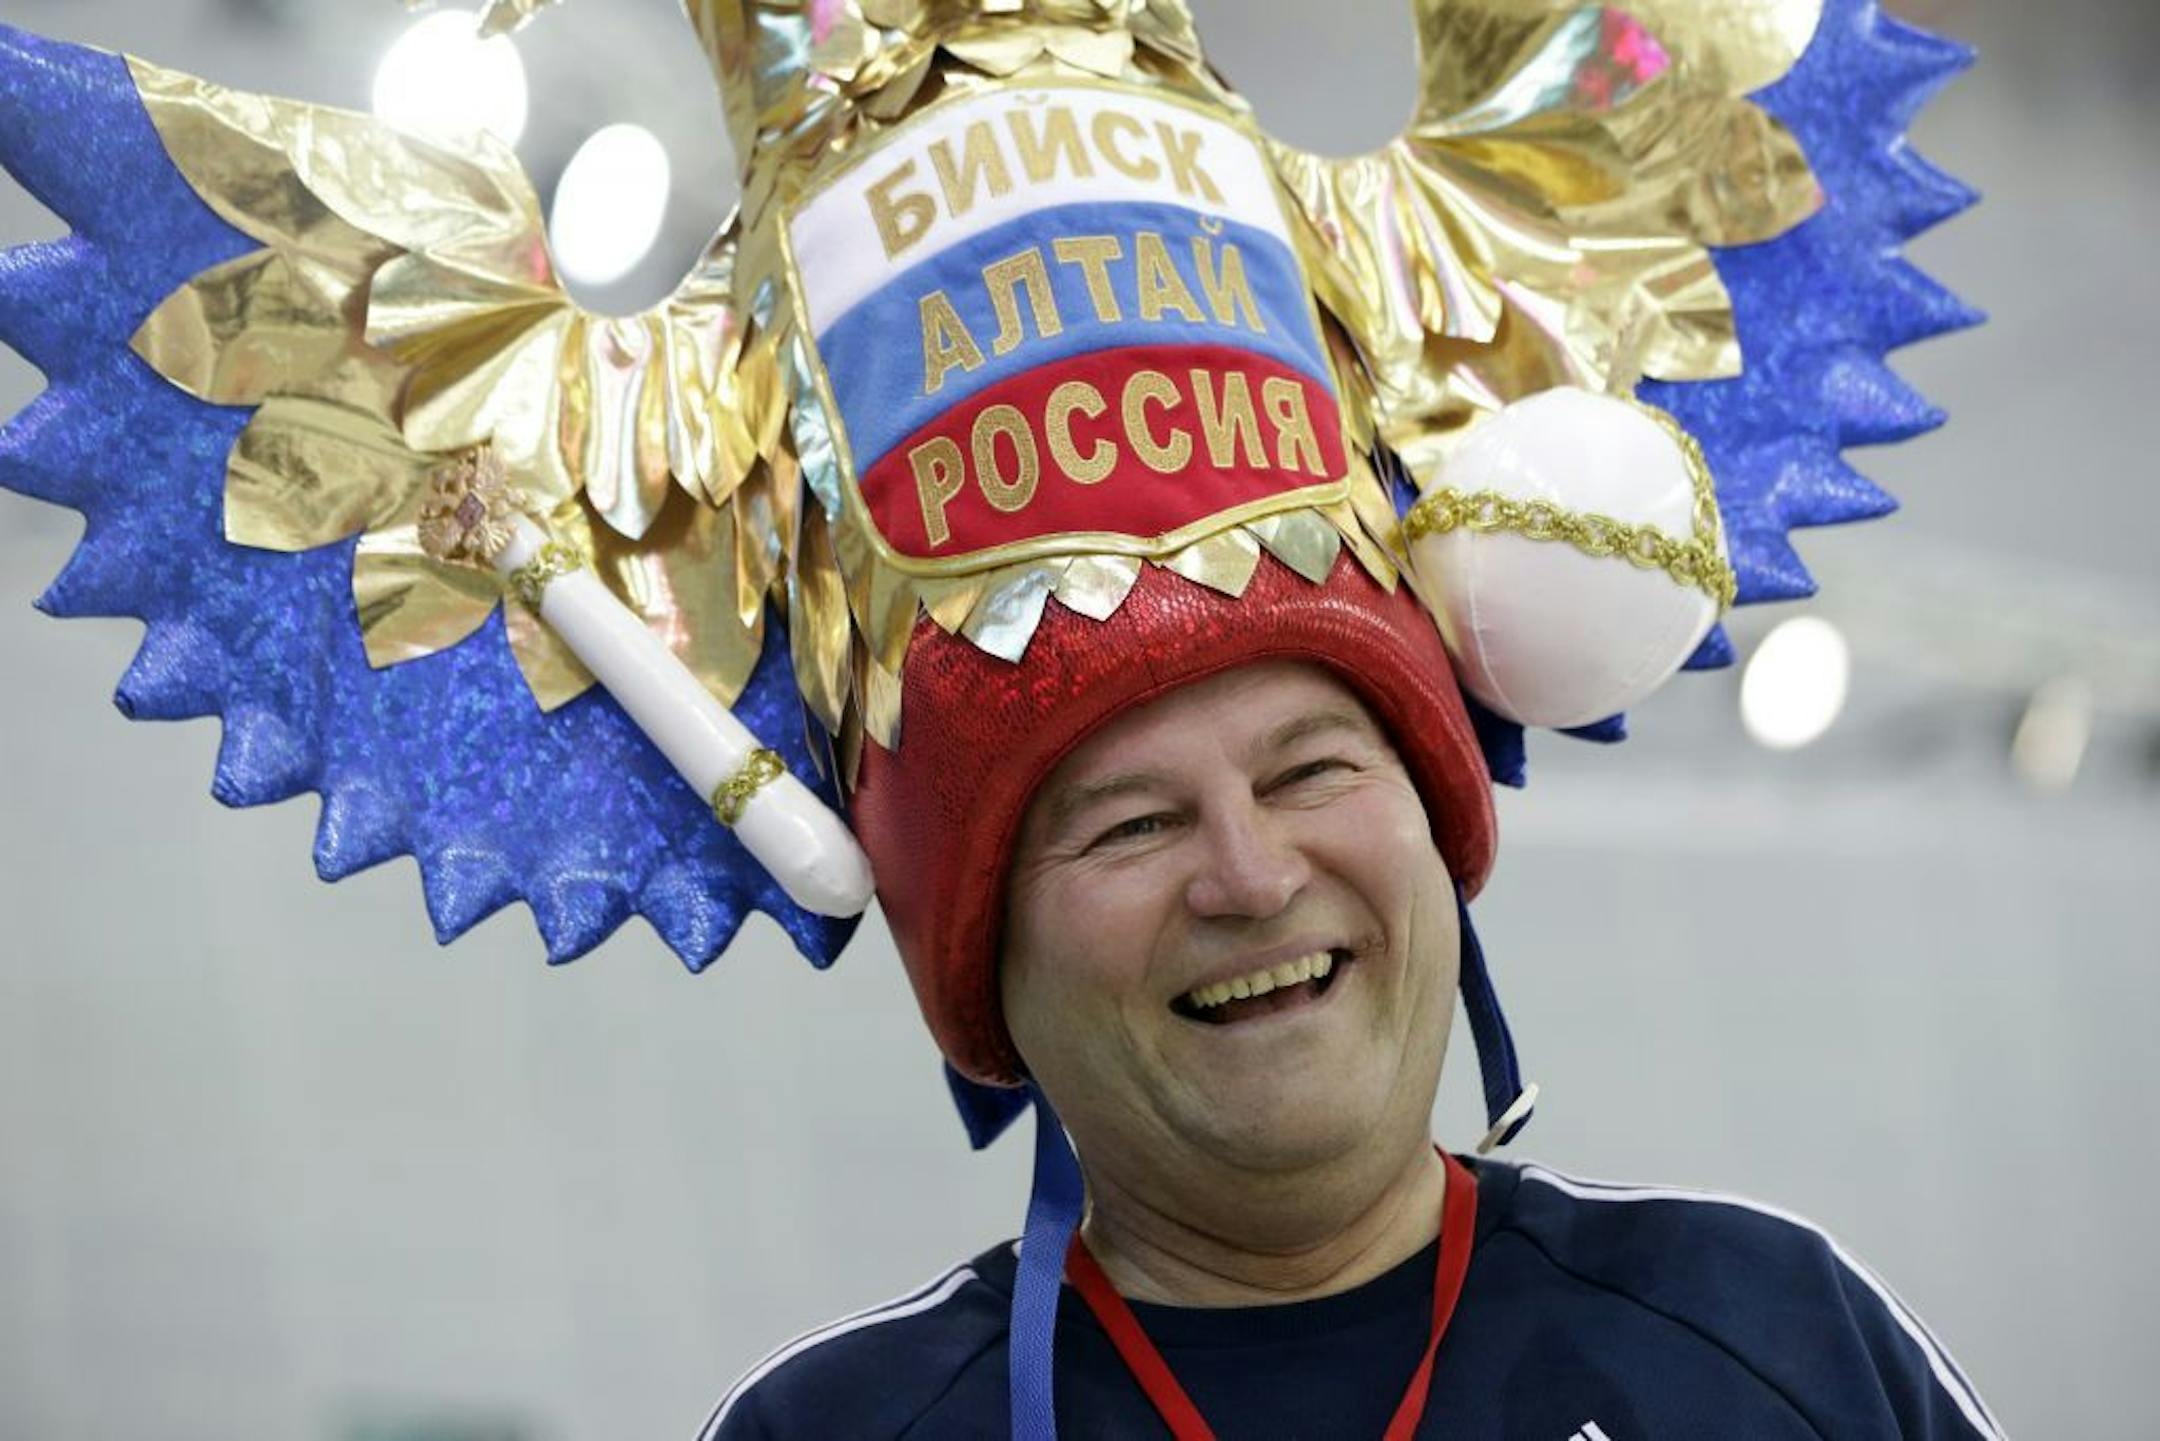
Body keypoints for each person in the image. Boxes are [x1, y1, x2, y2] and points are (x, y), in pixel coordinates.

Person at [0, 1, 1993, 1436]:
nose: (1247, 868)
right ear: (982, 954)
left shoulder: (1775, 1346)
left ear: (1443, 812)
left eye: (1314, 766)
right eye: (1122, 824)